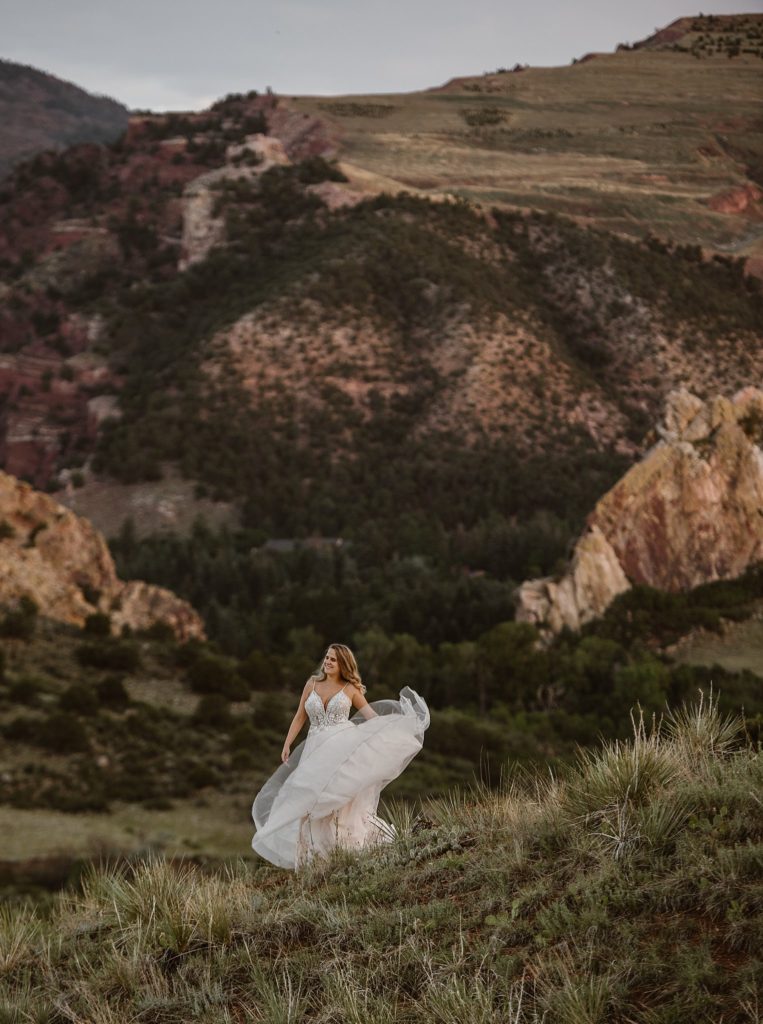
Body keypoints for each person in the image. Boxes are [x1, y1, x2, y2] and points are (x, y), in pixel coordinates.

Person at [251, 643, 430, 870]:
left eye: (333, 659)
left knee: (338, 803)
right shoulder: (312, 684)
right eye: (326, 657)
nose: (327, 662)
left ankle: (345, 852)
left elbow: (371, 717)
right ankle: (316, 860)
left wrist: (394, 728)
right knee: (310, 803)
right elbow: (299, 717)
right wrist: (287, 743)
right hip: (314, 752)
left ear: (343, 664)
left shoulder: (350, 689)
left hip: (341, 748)